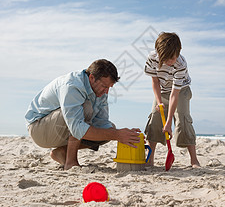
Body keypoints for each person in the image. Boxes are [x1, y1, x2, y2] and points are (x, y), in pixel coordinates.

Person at [25, 59, 140, 170]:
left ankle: (62, 152)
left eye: (109, 88)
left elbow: (102, 122)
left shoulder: (100, 91)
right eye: (104, 86)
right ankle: (71, 162)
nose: (106, 92)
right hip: (39, 128)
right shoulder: (72, 85)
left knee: (110, 130)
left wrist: (125, 136)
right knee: (86, 109)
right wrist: (117, 135)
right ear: (92, 78)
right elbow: (77, 128)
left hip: (60, 127)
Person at [144, 32, 200, 168]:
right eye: (167, 59)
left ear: (178, 52)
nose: (170, 62)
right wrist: (159, 102)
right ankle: (150, 160)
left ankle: (194, 160)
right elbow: (155, 81)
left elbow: (175, 93)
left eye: (173, 58)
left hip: (181, 90)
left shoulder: (180, 63)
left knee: (182, 118)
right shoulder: (152, 58)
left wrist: (169, 121)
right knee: (155, 118)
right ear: (159, 53)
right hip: (162, 90)